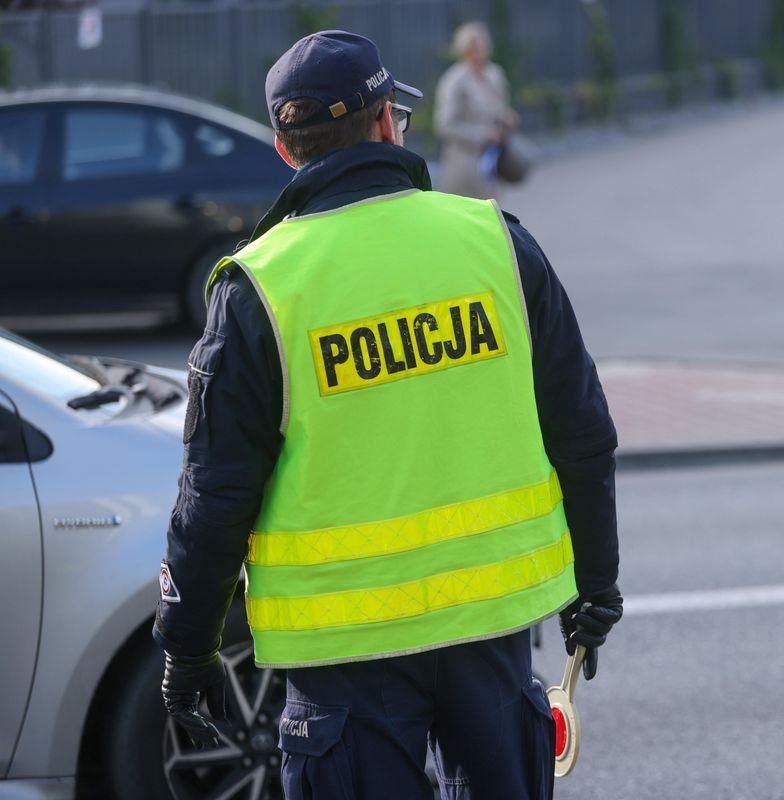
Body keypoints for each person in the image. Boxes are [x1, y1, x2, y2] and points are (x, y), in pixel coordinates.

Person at [153, 30, 622, 800]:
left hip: (342, 660)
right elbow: (583, 432)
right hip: (490, 635)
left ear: (283, 148)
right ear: (384, 124)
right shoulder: (494, 244)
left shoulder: (259, 289)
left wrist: (188, 646)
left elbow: (215, 495)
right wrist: (595, 581)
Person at [434, 21, 517, 199]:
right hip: (464, 165)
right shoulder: (454, 80)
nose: (479, 51)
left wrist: (506, 117)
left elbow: (499, 107)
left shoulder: (495, 74)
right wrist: (483, 135)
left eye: (482, 46)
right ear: (463, 50)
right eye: (473, 47)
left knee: (494, 214)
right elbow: (444, 125)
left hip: (492, 162)